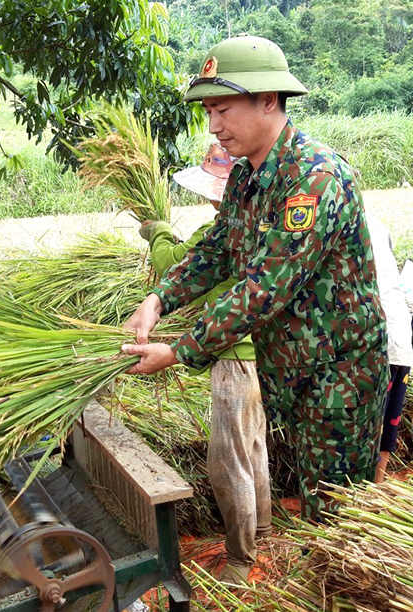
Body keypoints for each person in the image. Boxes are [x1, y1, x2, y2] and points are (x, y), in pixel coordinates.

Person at [123, 34, 388, 527]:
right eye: (208, 112)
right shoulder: (247, 176)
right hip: (295, 370)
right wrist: (159, 297)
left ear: (268, 100)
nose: (213, 126)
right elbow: (219, 249)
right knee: (318, 510)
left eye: (222, 109)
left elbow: (265, 287)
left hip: (339, 380)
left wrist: (179, 350)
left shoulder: (315, 178)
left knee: (338, 519)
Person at [140, 141, 270, 583]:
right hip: (264, 354)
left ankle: (239, 559)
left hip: (234, 357)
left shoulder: (221, 231)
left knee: (226, 461)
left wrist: (156, 231)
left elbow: (174, 263)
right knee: (253, 448)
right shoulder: (255, 225)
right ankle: (264, 533)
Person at [365, 214, 413, 482]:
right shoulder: (378, 225)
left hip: (377, 339)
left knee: (369, 423)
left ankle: (364, 492)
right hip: (400, 337)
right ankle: (378, 486)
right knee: (389, 420)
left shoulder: (344, 223)